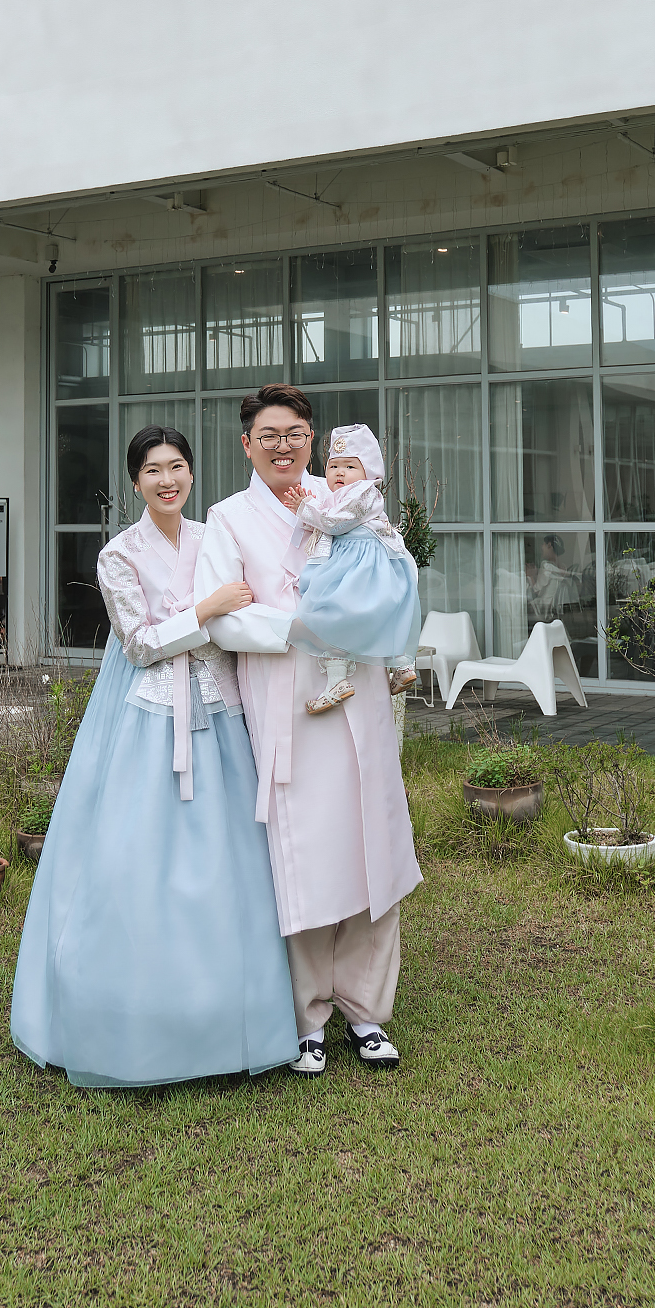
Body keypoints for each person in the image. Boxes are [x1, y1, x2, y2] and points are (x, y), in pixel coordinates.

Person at [10, 425, 299, 1088]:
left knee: (232, 862)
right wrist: (207, 609)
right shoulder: (119, 554)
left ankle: (229, 1013)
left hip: (220, 712)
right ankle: (134, 1014)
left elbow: (245, 620)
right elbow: (139, 644)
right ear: (136, 482)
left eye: (177, 468)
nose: (167, 481)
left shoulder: (215, 536)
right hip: (150, 718)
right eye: (153, 471)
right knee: (135, 863)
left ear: (191, 473)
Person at [194, 385, 422, 1078]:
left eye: (296, 433)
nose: (284, 446)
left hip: (360, 694)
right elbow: (224, 621)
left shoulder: (345, 495)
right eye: (269, 435)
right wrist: (302, 625)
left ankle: (368, 1010)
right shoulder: (228, 519)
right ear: (247, 445)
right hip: (290, 702)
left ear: (313, 439)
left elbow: (394, 568)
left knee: (372, 845)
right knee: (308, 856)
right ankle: (308, 1016)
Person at [282, 423, 421, 715]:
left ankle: (339, 681)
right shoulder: (346, 494)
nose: (339, 473)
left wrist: (305, 507)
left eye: (349, 466)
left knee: (334, 619)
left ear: (369, 473)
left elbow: (335, 523)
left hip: (358, 566)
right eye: (333, 466)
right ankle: (399, 665)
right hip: (365, 565)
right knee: (374, 616)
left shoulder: (363, 492)